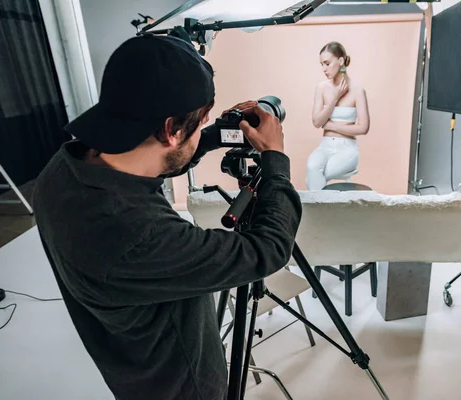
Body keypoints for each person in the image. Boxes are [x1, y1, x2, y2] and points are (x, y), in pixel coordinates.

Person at [32, 34, 301, 400]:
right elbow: (267, 250)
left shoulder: (63, 169)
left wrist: (207, 135)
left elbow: (149, 160)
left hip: (129, 366)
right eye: (198, 122)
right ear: (171, 130)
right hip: (181, 386)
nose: (201, 128)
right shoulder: (140, 234)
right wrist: (275, 160)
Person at [306, 41, 370, 190]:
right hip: (325, 145)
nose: (323, 69)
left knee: (320, 173)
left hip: (347, 149)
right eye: (321, 64)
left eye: (327, 63)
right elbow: (317, 122)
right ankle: (323, 211)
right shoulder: (321, 88)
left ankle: (318, 210)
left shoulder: (357, 91)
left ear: (340, 61)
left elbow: (363, 128)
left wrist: (331, 125)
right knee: (312, 167)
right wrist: (335, 97)